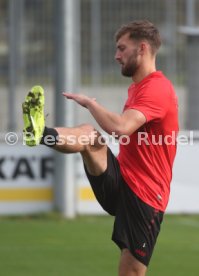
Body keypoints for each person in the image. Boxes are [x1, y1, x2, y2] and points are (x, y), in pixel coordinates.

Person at [22, 20, 179, 276]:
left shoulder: (157, 88)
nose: (116, 56)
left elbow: (121, 128)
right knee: (89, 136)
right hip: (122, 180)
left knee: (131, 273)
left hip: (146, 195)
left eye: (121, 48)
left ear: (141, 48)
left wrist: (90, 104)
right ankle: (41, 133)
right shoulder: (138, 88)